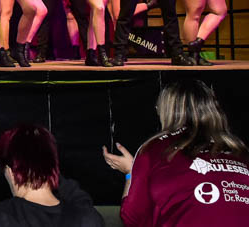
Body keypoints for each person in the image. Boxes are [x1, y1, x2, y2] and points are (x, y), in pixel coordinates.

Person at [103, 80, 249, 226]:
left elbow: (132, 218)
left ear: (166, 111)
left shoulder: (155, 147)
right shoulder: (239, 149)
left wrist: (130, 172)